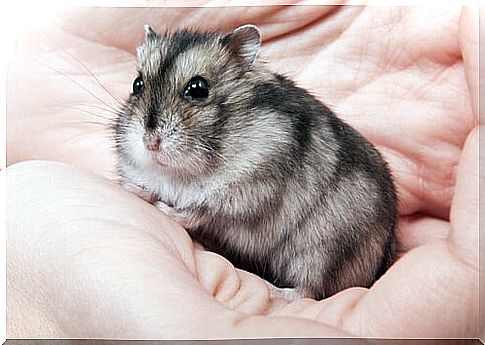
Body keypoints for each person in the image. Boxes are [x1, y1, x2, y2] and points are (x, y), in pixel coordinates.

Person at [6, 5, 479, 338]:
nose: (150, 131)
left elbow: (255, 196)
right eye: (139, 87)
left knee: (352, 202)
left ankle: (308, 287)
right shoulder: (138, 130)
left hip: (326, 243)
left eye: (194, 90)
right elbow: (140, 161)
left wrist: (204, 210)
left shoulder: (269, 132)